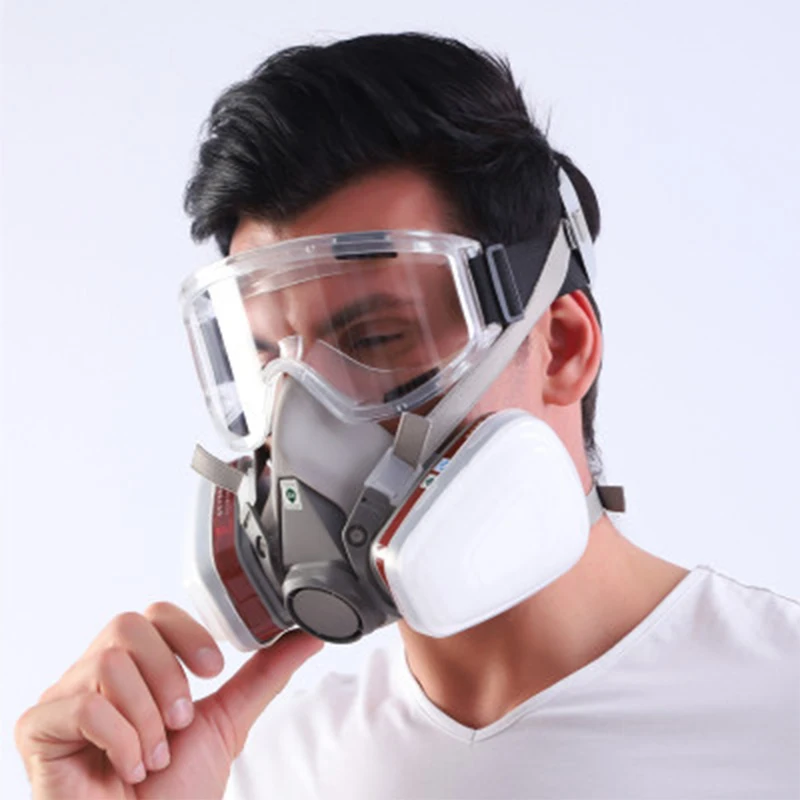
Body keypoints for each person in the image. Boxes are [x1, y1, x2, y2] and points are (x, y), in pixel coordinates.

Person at [15, 33, 799, 800]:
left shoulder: (777, 712)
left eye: (377, 340)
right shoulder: (249, 769)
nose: (299, 423)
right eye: (267, 363)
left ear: (562, 346)